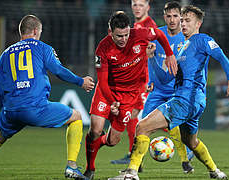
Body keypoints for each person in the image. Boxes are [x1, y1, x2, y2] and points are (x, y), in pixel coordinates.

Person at [109, 5, 229, 180]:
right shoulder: (181, 49)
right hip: (192, 102)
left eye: (187, 21)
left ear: (198, 23)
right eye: (182, 20)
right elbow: (165, 78)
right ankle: (215, 171)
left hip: (186, 100)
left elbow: (221, 56)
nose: (183, 24)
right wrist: (152, 60)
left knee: (141, 126)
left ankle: (131, 173)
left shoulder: (202, 40)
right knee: (190, 141)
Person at [0, 15, 95, 180]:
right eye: (40, 31)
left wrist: (5, 110)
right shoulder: (42, 47)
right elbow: (58, 70)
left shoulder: (5, 53)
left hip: (10, 109)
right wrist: (80, 81)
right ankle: (72, 167)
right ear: (35, 31)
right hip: (35, 107)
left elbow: (0, 88)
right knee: (76, 117)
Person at [81, 11, 177, 180]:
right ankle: (90, 169)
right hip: (107, 92)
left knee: (112, 141)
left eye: (126, 34)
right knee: (95, 129)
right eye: (119, 36)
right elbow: (102, 82)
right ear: (110, 32)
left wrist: (169, 54)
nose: (123, 39)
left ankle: (97, 143)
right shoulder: (102, 49)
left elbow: (160, 34)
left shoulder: (140, 34)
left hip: (129, 95)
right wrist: (112, 102)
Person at [142, 1, 195, 173]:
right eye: (169, 16)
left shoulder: (187, 38)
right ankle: (137, 164)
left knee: (176, 129)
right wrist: (148, 80)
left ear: (181, 17)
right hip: (157, 90)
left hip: (176, 91)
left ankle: (185, 161)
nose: (172, 20)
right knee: (143, 125)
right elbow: (149, 57)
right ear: (164, 17)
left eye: (175, 16)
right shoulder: (157, 34)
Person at [110, 0, 158, 167]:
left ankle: (186, 146)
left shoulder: (149, 26)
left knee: (141, 118)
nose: (137, 8)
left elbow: (152, 53)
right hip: (135, 79)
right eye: (134, 4)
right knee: (134, 116)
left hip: (143, 79)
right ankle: (133, 154)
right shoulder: (133, 28)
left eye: (141, 5)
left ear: (148, 7)